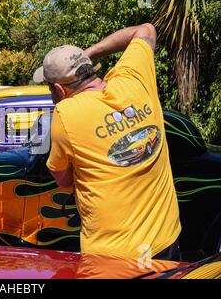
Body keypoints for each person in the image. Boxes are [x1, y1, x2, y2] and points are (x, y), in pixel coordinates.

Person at [33, 23, 182, 261]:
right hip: (167, 241)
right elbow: (146, 29)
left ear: (59, 89)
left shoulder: (66, 114)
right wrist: (88, 54)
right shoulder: (134, 79)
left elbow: (64, 179)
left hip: (113, 257)